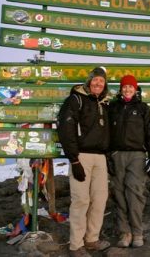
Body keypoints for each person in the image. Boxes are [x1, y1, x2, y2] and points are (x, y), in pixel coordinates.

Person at [57, 67, 111, 257]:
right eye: (95, 80)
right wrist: (74, 160)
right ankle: (75, 245)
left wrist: (109, 157)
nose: (98, 83)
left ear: (105, 85)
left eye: (101, 81)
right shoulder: (76, 100)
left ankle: (91, 239)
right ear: (89, 82)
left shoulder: (105, 103)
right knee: (81, 201)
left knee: (99, 200)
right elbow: (65, 129)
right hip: (81, 156)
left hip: (101, 157)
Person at [108, 74, 150, 248]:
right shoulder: (113, 107)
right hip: (117, 155)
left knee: (135, 194)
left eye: (131, 87)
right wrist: (108, 156)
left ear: (135, 89)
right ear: (120, 89)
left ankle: (137, 232)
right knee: (119, 194)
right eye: (124, 87)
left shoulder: (143, 108)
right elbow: (106, 133)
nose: (127, 89)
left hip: (137, 155)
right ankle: (125, 233)